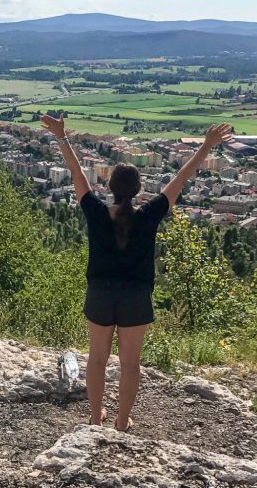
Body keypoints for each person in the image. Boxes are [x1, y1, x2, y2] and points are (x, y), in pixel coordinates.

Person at [39, 114, 233, 431]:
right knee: (130, 364)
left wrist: (62, 138)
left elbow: (76, 173)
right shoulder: (149, 214)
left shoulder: (95, 210)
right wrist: (206, 146)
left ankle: (94, 415)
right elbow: (181, 179)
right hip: (135, 297)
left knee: (97, 359)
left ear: (110, 187)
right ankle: (122, 420)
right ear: (139, 189)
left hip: (100, 293)